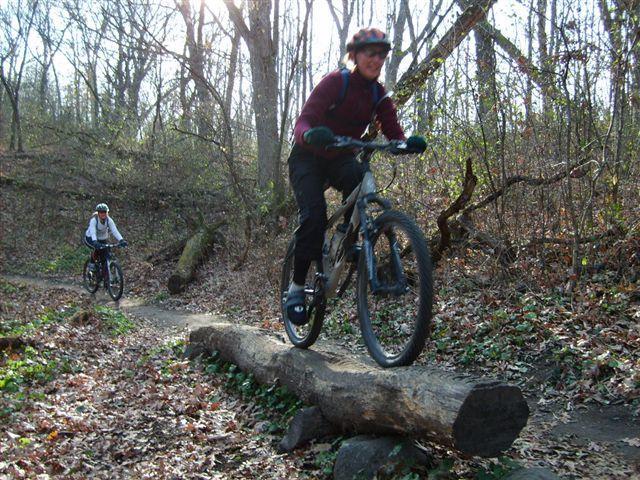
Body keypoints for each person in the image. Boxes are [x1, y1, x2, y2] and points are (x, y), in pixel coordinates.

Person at [285, 27, 426, 325]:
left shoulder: (378, 94)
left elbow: (393, 130)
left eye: (381, 55)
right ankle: (296, 288)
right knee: (314, 216)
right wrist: (311, 135)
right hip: (308, 156)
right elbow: (304, 121)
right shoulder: (337, 82)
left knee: (363, 182)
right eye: (369, 53)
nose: (376, 60)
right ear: (354, 56)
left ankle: (343, 241)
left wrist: (404, 143)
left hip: (340, 157)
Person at [84, 203, 127, 273]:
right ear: (98, 213)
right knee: (96, 249)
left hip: (102, 238)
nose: (103, 214)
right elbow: (93, 232)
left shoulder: (109, 220)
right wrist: (95, 241)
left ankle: (105, 274)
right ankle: (92, 264)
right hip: (90, 238)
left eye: (105, 212)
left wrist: (121, 240)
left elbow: (114, 231)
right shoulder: (94, 220)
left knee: (106, 253)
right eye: (101, 212)